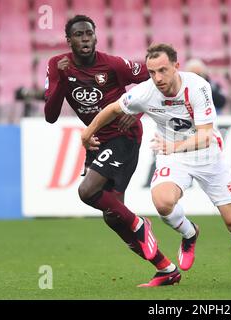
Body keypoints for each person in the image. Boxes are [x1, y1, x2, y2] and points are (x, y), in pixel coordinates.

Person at [81, 43, 231, 288]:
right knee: (162, 202)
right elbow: (114, 109)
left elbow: (205, 136)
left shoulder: (198, 87)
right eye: (152, 72)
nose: (157, 78)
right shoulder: (145, 92)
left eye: (163, 70)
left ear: (176, 67)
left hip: (206, 155)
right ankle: (190, 233)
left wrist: (174, 148)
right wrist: (88, 132)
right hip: (174, 156)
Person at [44, 15, 180, 287]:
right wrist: (59, 79)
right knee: (113, 216)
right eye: (79, 35)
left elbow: (156, 76)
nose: (85, 39)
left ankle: (140, 225)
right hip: (97, 140)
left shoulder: (114, 64)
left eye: (89, 33)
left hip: (123, 137)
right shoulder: (57, 65)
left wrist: (138, 110)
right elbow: (50, 115)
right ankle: (166, 268)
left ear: (96, 36)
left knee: (87, 191)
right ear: (68, 40)